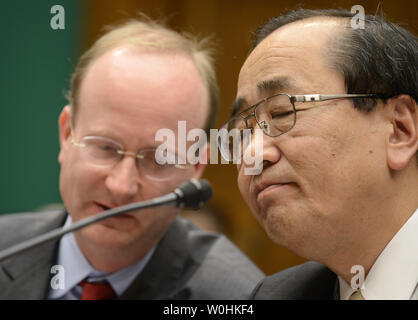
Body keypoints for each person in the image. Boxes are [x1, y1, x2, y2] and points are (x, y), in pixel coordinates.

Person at [0, 17, 263, 299]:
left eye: (159, 159)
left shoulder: (235, 296)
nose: (121, 187)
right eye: (105, 148)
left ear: (196, 165)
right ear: (66, 135)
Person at [223, 9, 417, 300]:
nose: (253, 154)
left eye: (282, 113)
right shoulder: (274, 295)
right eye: (243, 131)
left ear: (399, 130)